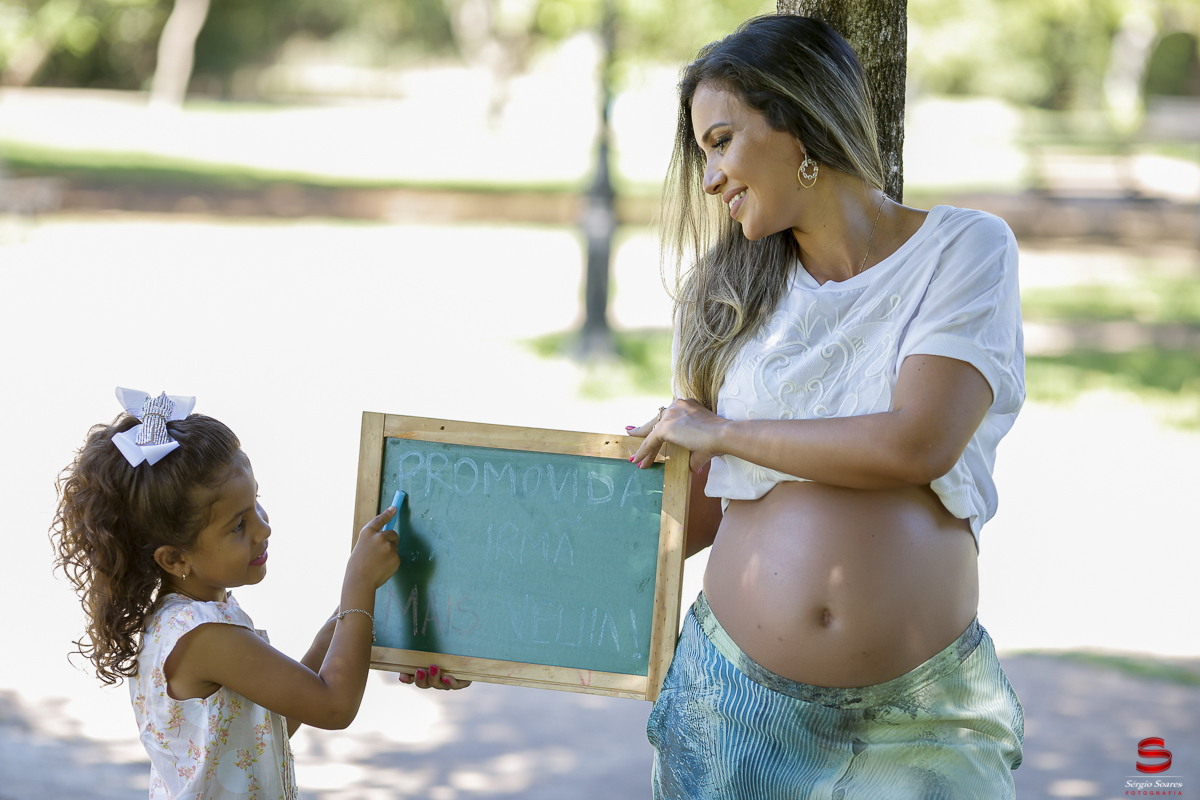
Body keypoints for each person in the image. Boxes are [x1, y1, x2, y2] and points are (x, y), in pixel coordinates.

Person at [626, 15, 1026, 799]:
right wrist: (493, 619)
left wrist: (722, 431)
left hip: (919, 721)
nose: (709, 179)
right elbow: (699, 510)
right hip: (728, 709)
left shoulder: (964, 251)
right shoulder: (724, 298)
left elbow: (918, 444)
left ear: (797, 122)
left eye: (721, 141)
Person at [51, 388, 470, 799]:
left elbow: (267, 722)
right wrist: (358, 584)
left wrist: (395, 622)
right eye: (238, 524)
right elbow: (333, 706)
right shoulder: (203, 637)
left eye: (257, 504)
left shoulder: (192, 614)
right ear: (175, 559)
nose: (263, 528)